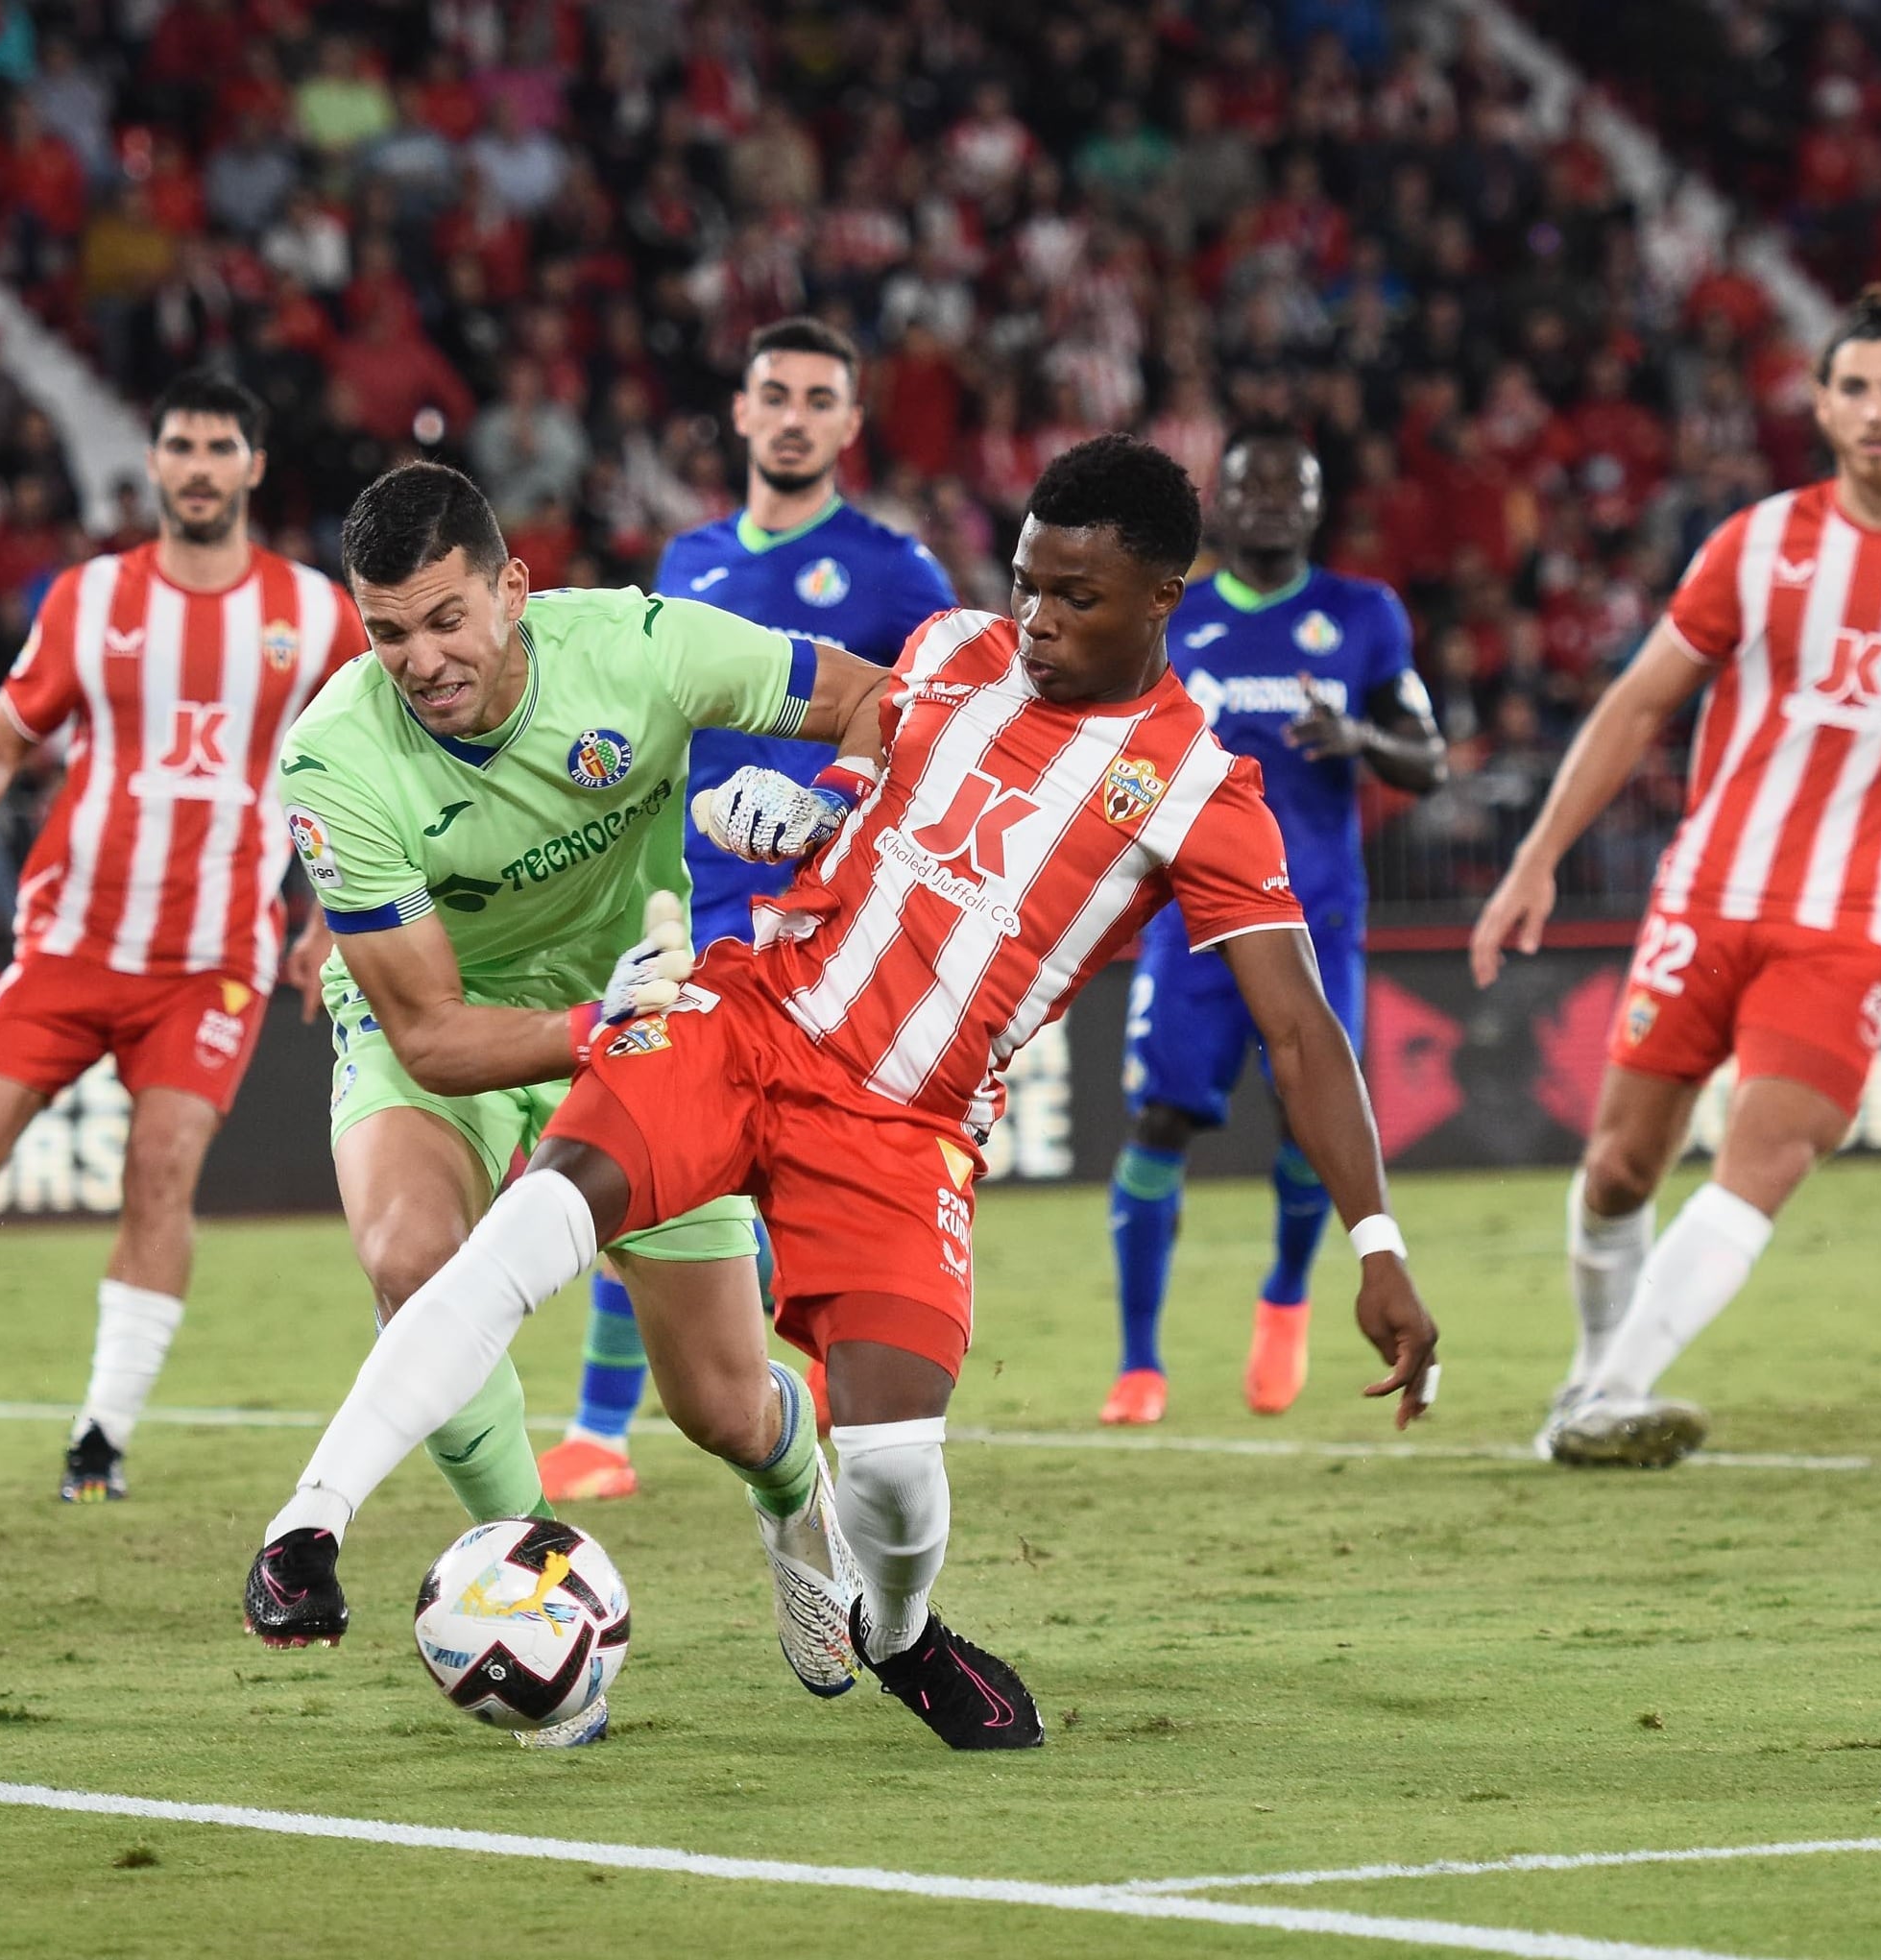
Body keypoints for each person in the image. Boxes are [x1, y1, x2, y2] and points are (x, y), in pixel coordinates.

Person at [242, 437, 1442, 1749]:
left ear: (1166, 596)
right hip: (750, 1021)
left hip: (907, 1127)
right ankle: (310, 1525)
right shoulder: (955, 650)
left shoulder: (1205, 795)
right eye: (1027, 582)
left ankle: (904, 1631)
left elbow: (1301, 1031)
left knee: (874, 1463)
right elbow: (878, 747)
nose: (1035, 621)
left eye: (1075, 597)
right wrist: (815, 805)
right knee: (519, 1230)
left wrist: (1378, 1243)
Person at [276, 458, 897, 1742]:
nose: (421, 660)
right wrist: (587, 1028)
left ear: (514, 590)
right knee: (411, 1262)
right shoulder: (334, 757)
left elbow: (881, 698)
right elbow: (431, 1038)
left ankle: (794, 1497)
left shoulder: (642, 648)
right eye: (387, 633)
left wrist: (822, 800)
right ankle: (530, 1596)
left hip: (646, 1010)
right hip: (465, 1021)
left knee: (722, 1406)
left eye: (446, 619)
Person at [1468, 283, 1881, 1469]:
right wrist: (1537, 854)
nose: (1876, 410)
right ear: (1821, 406)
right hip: (1707, 895)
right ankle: (1589, 1378)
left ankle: (1611, 1392)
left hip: (1852, 919)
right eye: (1855, 389)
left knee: (1772, 1153)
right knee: (1618, 1168)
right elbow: (1638, 704)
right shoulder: (1755, 543)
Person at [0, 376, 361, 1504]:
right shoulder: (91, 597)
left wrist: (329, 919)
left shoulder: (315, 615)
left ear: (253, 467)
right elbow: (5, 735)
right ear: (152, 464)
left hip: (212, 958)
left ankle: (100, 1438)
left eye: (220, 447)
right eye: (180, 445)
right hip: (70, 940)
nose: (198, 466)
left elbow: (364, 774)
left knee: (160, 1169)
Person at [539, 317, 957, 1503]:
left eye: (818, 399)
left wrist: (835, 801)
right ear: (739, 411)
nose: (792, 417)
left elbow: (937, 718)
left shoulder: (895, 570)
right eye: (774, 394)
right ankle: (600, 1430)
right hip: (686, 904)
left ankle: (822, 1381)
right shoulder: (688, 560)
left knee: (806, 1158)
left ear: (850, 424)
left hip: (826, 918)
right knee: (643, 1135)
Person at [1101, 427, 1444, 1426]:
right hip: (1191, 918)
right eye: (1250, 484)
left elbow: (1429, 759)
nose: (1268, 501)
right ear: (1221, 500)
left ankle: (1286, 1299)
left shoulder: (1364, 616)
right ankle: (1138, 1363)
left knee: (1309, 1127)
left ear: (1316, 503)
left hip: (1315, 915)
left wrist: (1360, 735)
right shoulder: (1177, 614)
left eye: (1290, 486)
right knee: (1160, 1118)